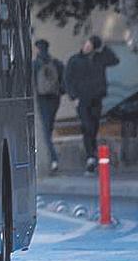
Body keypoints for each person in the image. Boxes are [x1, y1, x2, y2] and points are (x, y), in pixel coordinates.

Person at [64, 35, 119, 173]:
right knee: (87, 126)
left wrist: (105, 47)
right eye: (86, 44)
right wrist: (73, 96)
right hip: (82, 99)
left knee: (94, 127)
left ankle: (92, 155)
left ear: (94, 47)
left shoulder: (100, 58)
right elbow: (68, 79)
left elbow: (115, 60)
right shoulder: (75, 60)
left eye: (90, 45)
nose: (87, 47)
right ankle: (90, 156)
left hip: (96, 98)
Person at [32, 39, 64, 173]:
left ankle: (53, 160)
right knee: (49, 129)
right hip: (55, 99)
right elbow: (63, 81)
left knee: (46, 132)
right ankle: (52, 159)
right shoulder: (56, 63)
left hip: (43, 99)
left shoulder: (35, 64)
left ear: (38, 49)